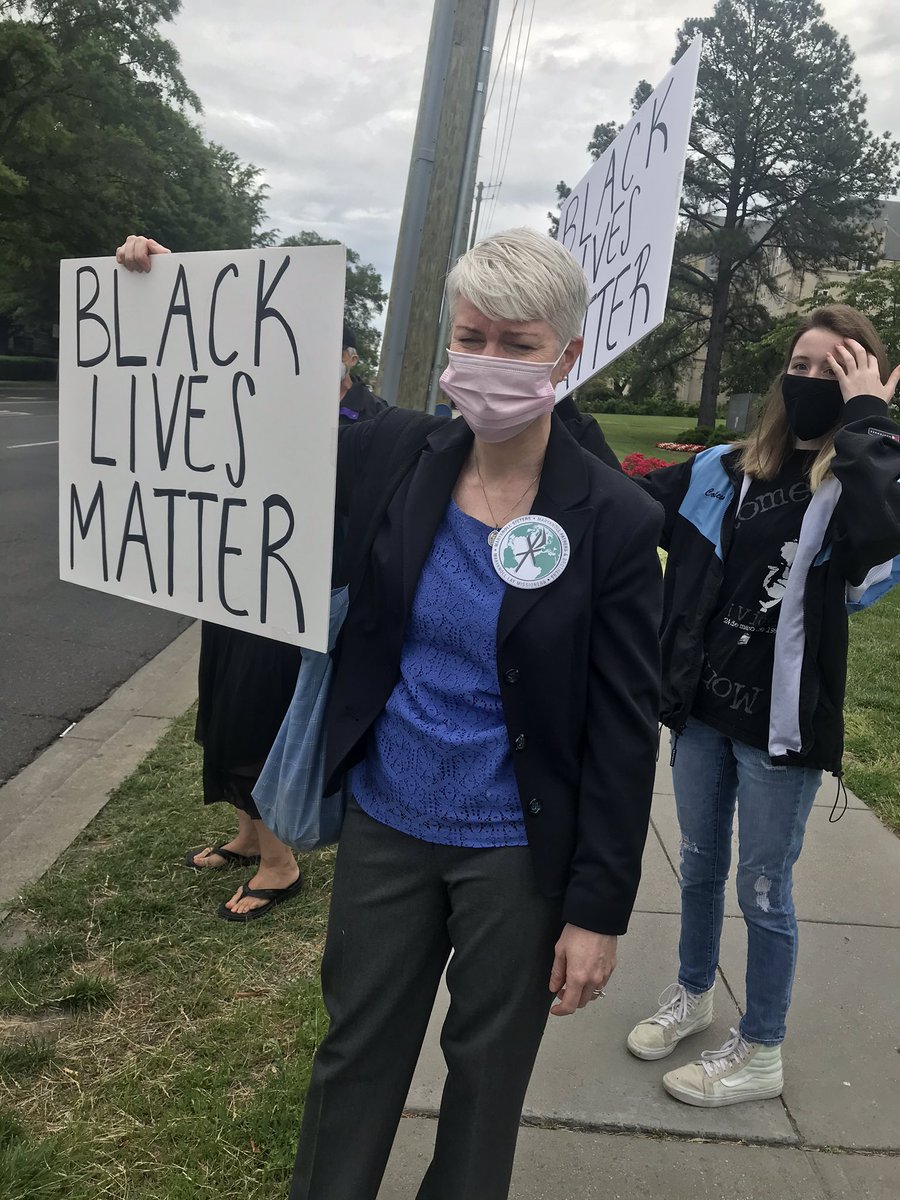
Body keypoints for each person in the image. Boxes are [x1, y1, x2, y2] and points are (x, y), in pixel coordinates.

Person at [289, 227, 664, 1200]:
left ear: (567, 357)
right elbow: (266, 416)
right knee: (353, 1058)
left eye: (517, 343)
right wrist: (162, 297)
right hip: (387, 820)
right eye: (472, 337)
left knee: (485, 1086)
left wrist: (596, 910)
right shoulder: (399, 460)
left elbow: (625, 731)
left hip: (514, 855)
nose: (488, 362)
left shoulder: (614, 522)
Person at [622, 304, 900, 1106]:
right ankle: (693, 993)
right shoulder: (727, 469)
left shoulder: (858, 486)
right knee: (702, 867)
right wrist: (556, 398)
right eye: (801, 364)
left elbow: (883, 534)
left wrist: (868, 421)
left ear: (865, 378)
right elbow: (622, 497)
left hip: (782, 727)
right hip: (705, 709)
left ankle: (763, 1047)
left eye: (834, 368)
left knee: (765, 888)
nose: (810, 379)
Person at [113, 236, 387, 921]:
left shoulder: (372, 423)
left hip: (302, 600)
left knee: (259, 720)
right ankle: (246, 833)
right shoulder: (254, 395)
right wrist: (171, 276)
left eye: (324, 341)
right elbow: (198, 354)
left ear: (348, 353)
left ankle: (279, 861)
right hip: (235, 584)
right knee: (221, 713)